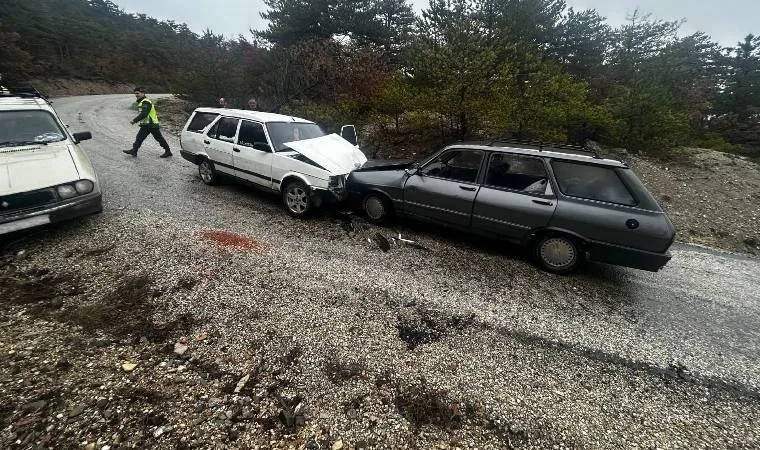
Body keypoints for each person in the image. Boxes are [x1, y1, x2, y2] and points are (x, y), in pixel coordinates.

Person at [124, 87, 172, 158]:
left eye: (138, 93)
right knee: (139, 138)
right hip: (146, 124)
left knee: (159, 138)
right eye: (135, 93)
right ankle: (134, 151)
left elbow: (144, 113)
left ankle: (168, 152)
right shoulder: (142, 101)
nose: (136, 95)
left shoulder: (146, 102)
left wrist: (135, 120)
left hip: (152, 124)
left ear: (143, 93)